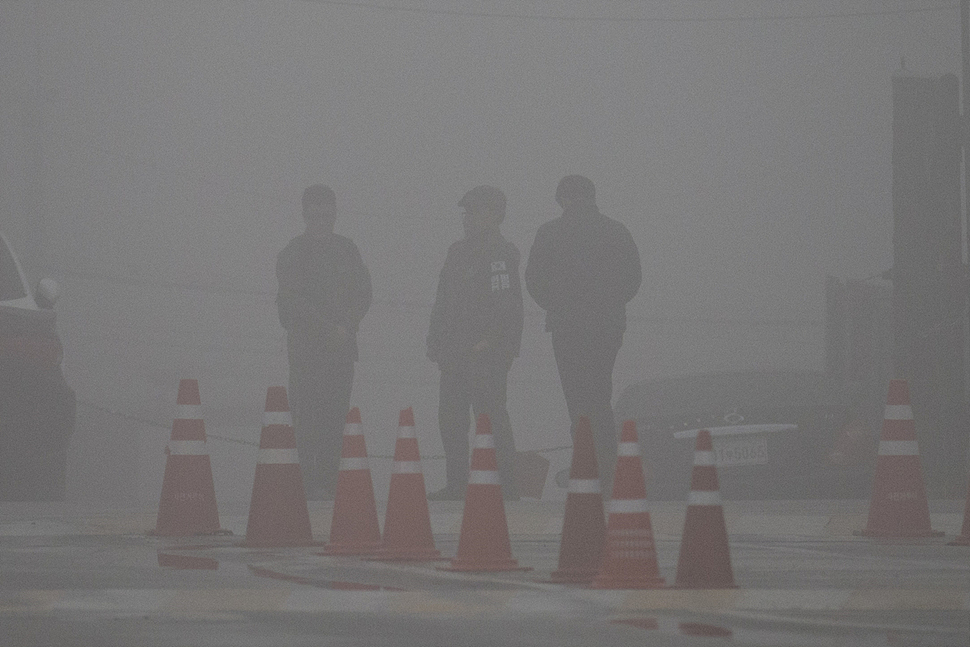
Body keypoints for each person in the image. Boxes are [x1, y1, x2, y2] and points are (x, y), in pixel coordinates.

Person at [525, 175, 641, 486]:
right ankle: (605, 471)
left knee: (577, 398)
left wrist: (560, 303)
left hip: (569, 326)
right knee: (598, 394)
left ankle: (588, 470)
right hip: (604, 326)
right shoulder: (615, 231)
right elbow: (632, 278)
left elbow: (534, 280)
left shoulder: (550, 233)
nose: (573, 201)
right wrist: (607, 302)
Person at [427, 185, 524, 501]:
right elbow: (443, 299)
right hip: (454, 350)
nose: (467, 218)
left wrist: (492, 342)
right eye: (466, 212)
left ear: (494, 214)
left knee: (491, 417)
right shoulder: (457, 252)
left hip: (485, 352)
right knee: (450, 419)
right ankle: (457, 483)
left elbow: (506, 303)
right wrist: (435, 339)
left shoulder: (500, 253)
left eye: (474, 211)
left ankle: (508, 485)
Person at [276, 184, 372, 499]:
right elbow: (291, 301)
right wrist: (328, 328)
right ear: (305, 213)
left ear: (334, 212)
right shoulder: (293, 252)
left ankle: (332, 485)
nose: (321, 216)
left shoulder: (348, 249)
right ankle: (304, 487)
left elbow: (363, 293)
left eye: (326, 209)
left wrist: (347, 325)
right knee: (305, 419)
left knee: (336, 418)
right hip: (306, 352)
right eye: (314, 210)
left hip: (341, 351)